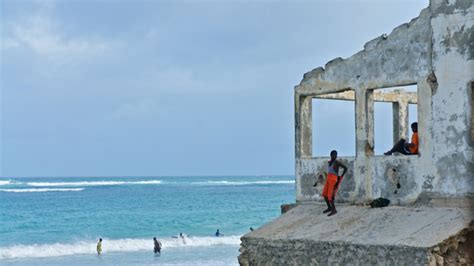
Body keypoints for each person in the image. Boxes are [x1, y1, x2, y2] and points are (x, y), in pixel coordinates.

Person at [322, 150, 347, 217]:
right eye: (334, 155)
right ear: (331, 155)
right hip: (328, 179)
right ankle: (329, 207)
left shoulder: (337, 162)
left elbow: (345, 168)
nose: (336, 156)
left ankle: (334, 210)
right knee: (324, 194)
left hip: (333, 180)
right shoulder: (329, 162)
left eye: (336, 155)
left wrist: (340, 177)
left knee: (330, 196)